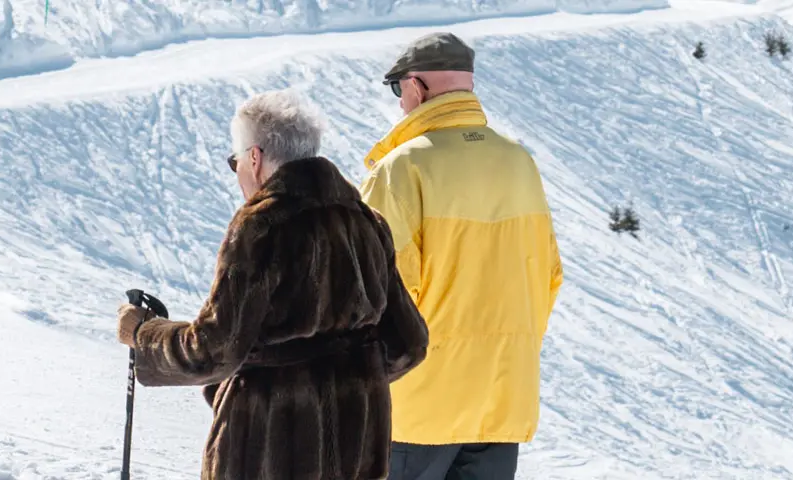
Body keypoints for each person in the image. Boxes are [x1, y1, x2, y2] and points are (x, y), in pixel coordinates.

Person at [117, 90, 431, 480]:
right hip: (354, 452)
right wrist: (347, 377)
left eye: (235, 162)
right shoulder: (366, 223)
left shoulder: (261, 227)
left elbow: (214, 349)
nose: (238, 173)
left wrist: (144, 333)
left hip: (269, 452)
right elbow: (408, 342)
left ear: (255, 157)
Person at [358, 32, 564, 480]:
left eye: (399, 90)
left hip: (420, 405)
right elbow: (548, 277)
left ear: (417, 86)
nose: (399, 103)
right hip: (502, 398)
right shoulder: (519, 165)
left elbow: (376, 296)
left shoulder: (402, 169)